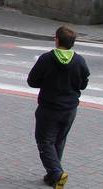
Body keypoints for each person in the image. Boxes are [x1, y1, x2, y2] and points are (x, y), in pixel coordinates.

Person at [27, 26, 90, 188]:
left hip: (49, 108)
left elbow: (32, 81)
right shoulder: (79, 60)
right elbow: (83, 84)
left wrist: (47, 83)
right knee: (59, 141)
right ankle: (53, 177)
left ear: (57, 40)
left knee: (45, 141)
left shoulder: (46, 59)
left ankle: (56, 173)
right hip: (70, 109)